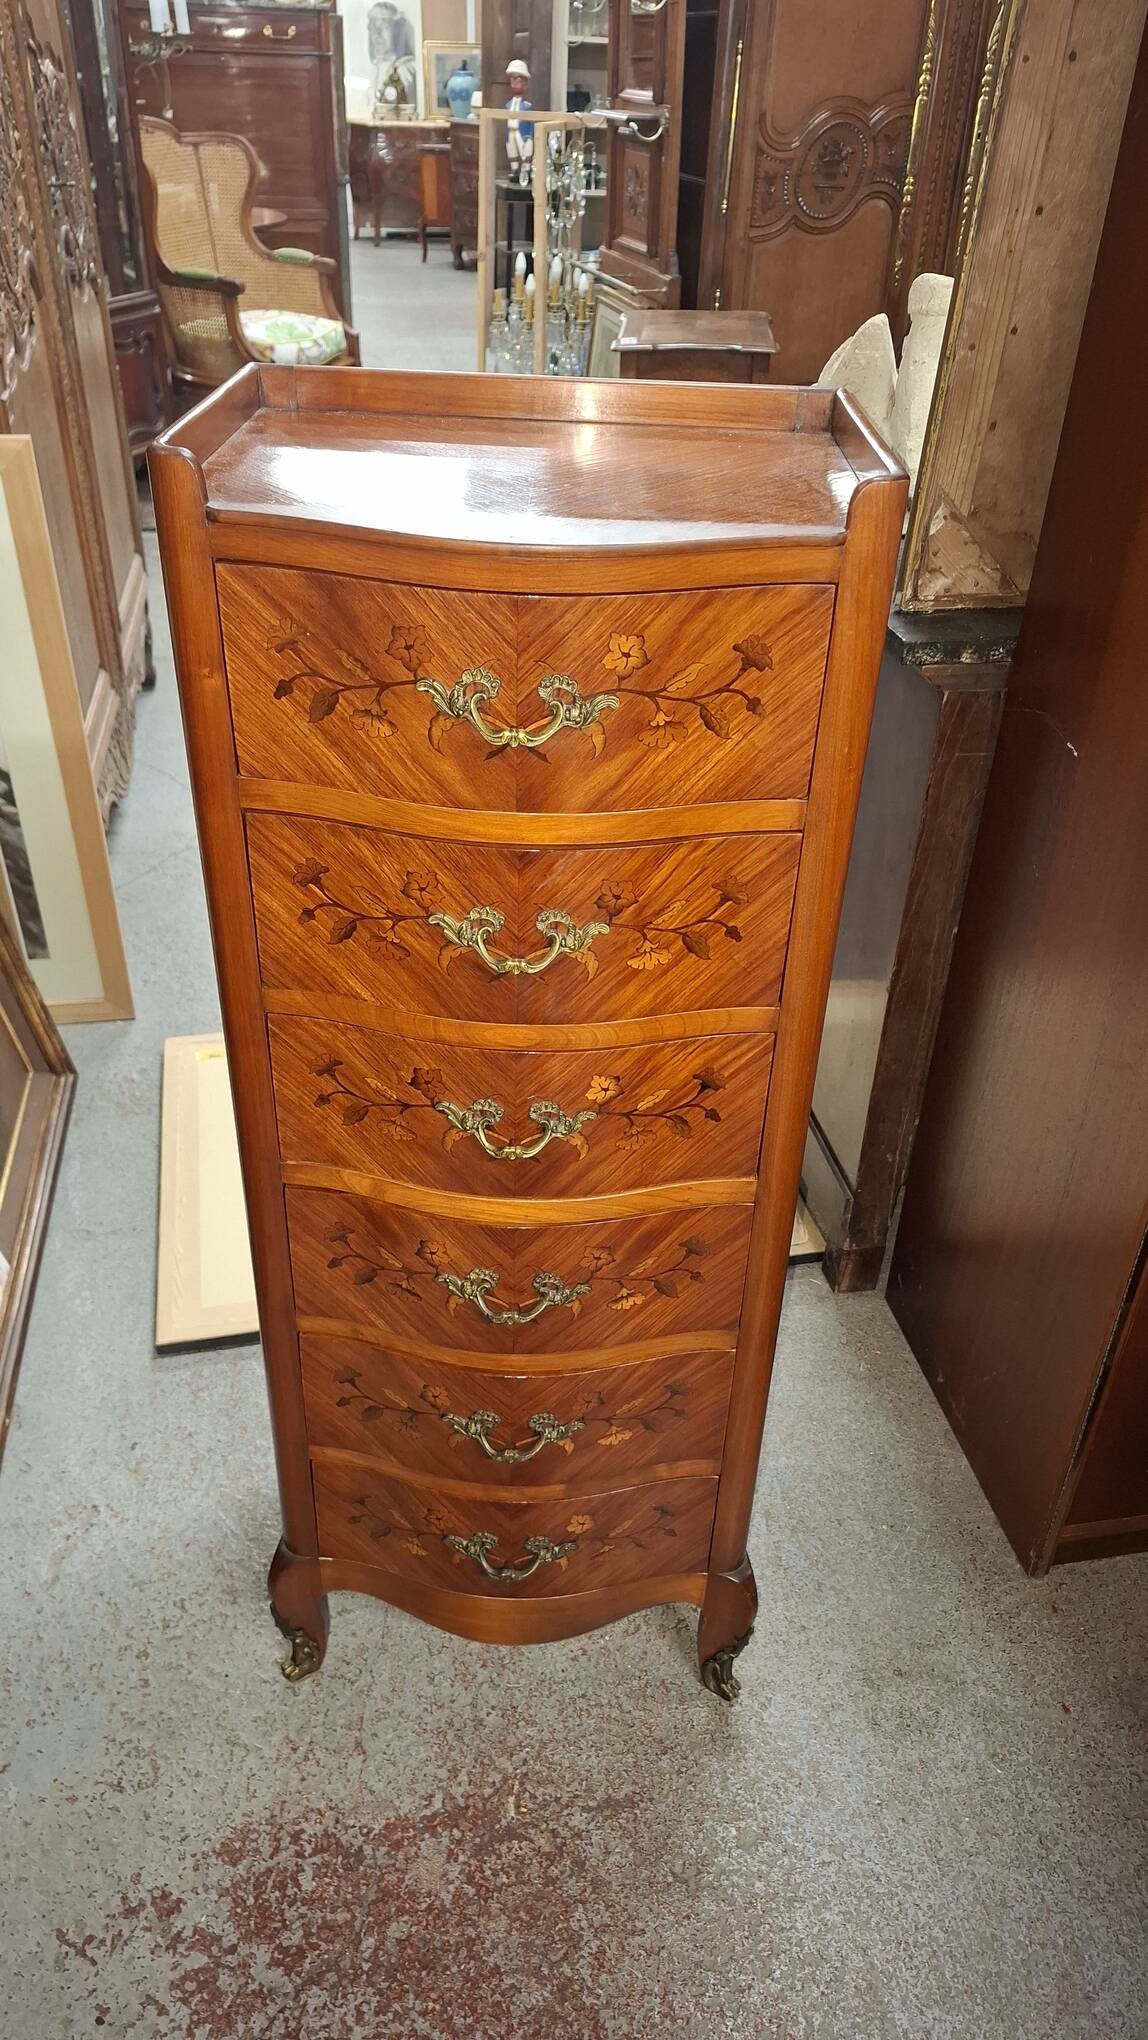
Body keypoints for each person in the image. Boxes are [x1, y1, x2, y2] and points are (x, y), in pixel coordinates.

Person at [505, 59, 534, 185]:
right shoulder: (508, 105)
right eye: (512, 79)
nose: (514, 83)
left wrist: (529, 136)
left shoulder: (527, 106)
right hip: (511, 131)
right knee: (512, 150)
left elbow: (531, 123)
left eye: (518, 80)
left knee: (524, 151)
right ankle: (515, 169)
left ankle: (525, 170)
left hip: (522, 132)